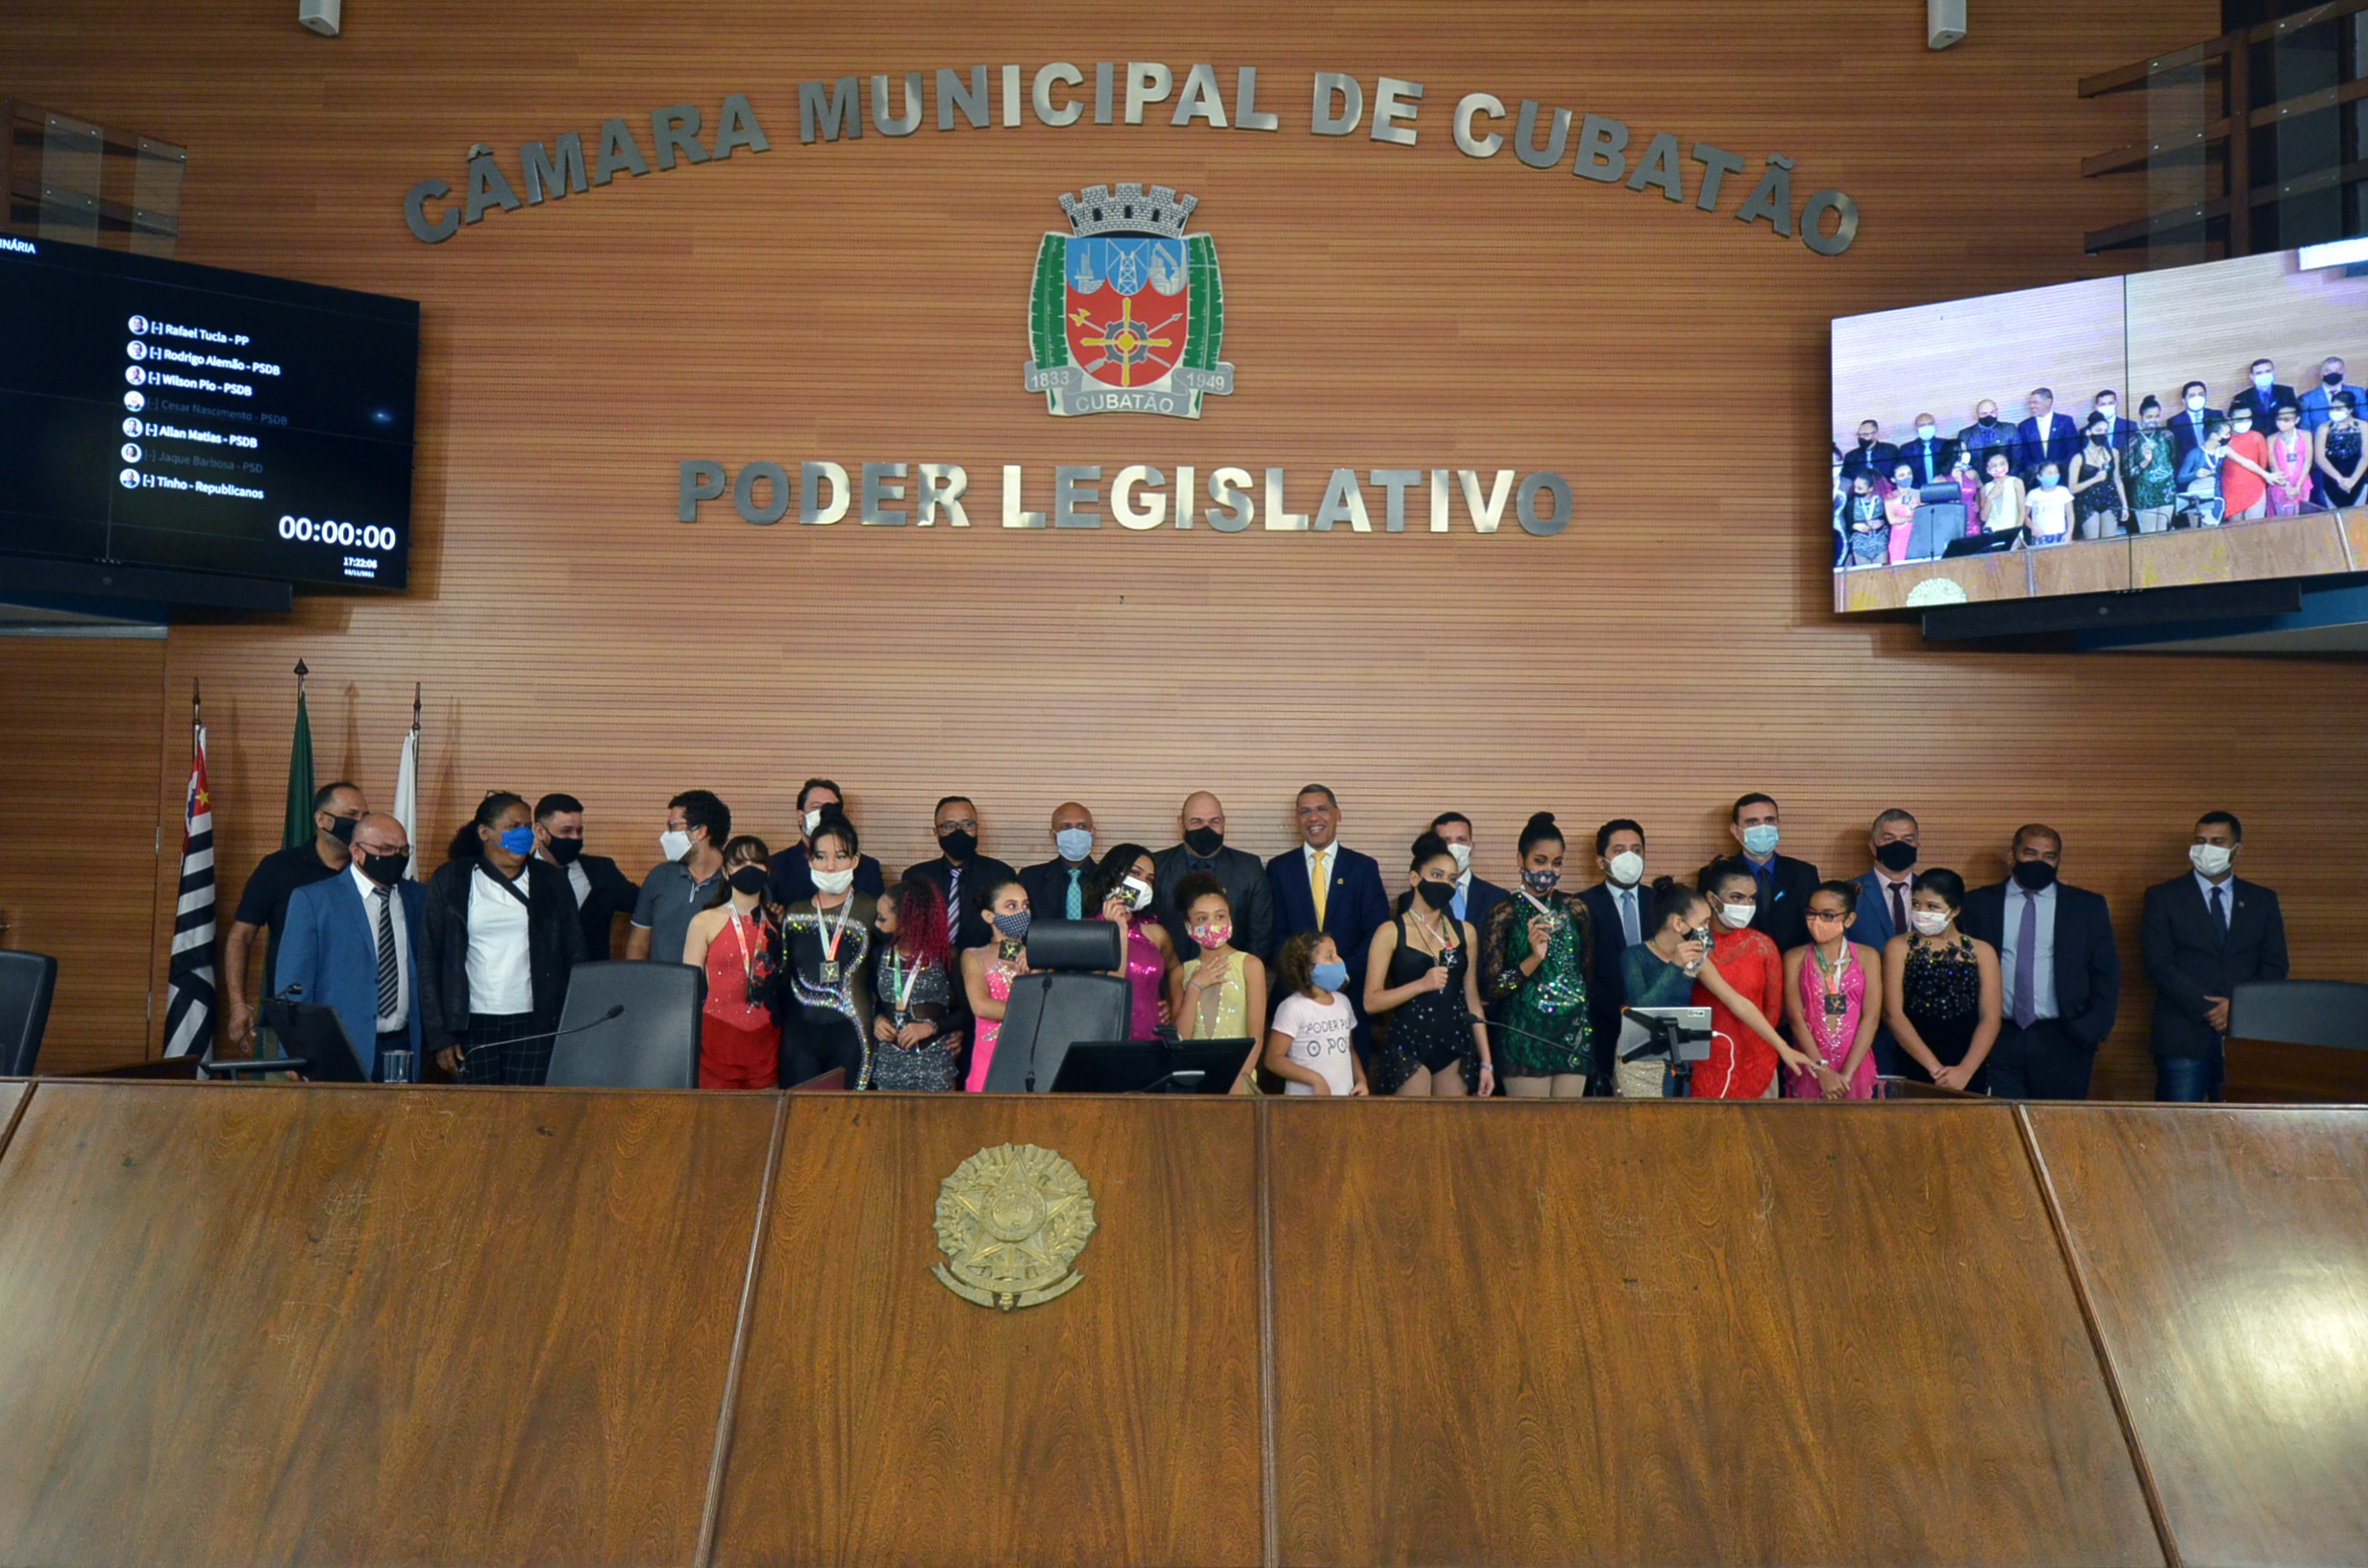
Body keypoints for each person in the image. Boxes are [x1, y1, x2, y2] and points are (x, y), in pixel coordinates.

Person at [421, 791, 585, 1085]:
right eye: (512, 827)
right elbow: (430, 959)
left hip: (536, 1022)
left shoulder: (551, 880)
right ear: (485, 833)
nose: (523, 834)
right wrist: (440, 1035)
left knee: (527, 1108)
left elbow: (574, 953)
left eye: (527, 826)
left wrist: (572, 1022)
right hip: (471, 1023)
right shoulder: (451, 879)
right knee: (478, 1109)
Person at [1960, 825, 2120, 1100]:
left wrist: (2091, 1029)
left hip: (2064, 1037)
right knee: (1999, 1121)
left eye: (2049, 856)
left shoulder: (2086, 906)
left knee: (2058, 1123)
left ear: (2058, 861)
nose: (2039, 862)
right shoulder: (1978, 903)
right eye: (2030, 853)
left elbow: (2106, 972)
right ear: (2012, 856)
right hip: (1997, 1036)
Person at [2140, 811, 2288, 1103]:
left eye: (2218, 841)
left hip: (2245, 1036)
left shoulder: (2262, 900)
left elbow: (2275, 964)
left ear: (2237, 849)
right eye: (2200, 841)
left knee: (2244, 1125)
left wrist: (2237, 1009)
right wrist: (2209, 1008)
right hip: (2183, 1035)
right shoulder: (2163, 896)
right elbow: (2158, 965)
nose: (2206, 848)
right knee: (2179, 1126)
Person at [274, 812, 424, 1082]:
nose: (396, 857)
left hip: (403, 1047)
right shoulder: (315, 900)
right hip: (339, 1048)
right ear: (356, 851)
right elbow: (294, 983)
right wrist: (292, 1050)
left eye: (403, 850)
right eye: (385, 849)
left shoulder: (419, 898)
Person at [222, 780, 366, 1047]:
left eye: (364, 816)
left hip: (357, 1022)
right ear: (322, 819)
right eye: (352, 815)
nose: (360, 824)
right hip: (289, 1019)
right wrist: (238, 1004)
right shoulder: (278, 868)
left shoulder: (369, 873)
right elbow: (241, 937)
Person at [1618, 881, 1790, 1099]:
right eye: (1703, 923)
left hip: (1680, 1058)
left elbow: (1737, 1001)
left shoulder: (1698, 960)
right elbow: (1639, 1009)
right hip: (1642, 1061)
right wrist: (1675, 967)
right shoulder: (1634, 956)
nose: (1707, 930)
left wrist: (1782, 1046)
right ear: (1678, 923)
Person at [1364, 832, 1494, 1097]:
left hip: (1455, 1043)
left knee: (1451, 1122)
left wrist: (1486, 1062)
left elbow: (1471, 999)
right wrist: (1421, 984)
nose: (1445, 883)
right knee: (1415, 1122)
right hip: (1409, 1044)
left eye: (1452, 879)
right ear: (1415, 878)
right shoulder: (1390, 932)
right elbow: (1371, 1001)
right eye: (1437, 875)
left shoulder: (1465, 932)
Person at [1480, 813, 1595, 1098]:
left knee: (1570, 1121)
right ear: (1521, 860)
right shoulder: (1504, 913)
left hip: (1571, 1032)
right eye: (1540, 861)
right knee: (1532, 1123)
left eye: (1557, 863)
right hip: (1524, 1034)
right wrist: (1533, 959)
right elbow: (1493, 988)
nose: (1548, 870)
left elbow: (1586, 973)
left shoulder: (1575, 909)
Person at [1692, 859, 1815, 1097]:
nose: (1746, 905)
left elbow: (1773, 1010)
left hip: (1757, 1060)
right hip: (1704, 1060)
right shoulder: (1696, 943)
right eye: (1737, 897)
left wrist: (1771, 1049)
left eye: (1752, 899)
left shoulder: (1763, 945)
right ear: (1712, 899)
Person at [775, 809, 877, 1090]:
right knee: (800, 1111)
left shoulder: (871, 910)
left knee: (850, 1112)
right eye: (821, 857)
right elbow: (782, 974)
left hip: (853, 1031)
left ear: (855, 860)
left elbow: (886, 973)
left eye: (840, 856)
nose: (830, 866)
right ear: (810, 860)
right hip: (800, 1033)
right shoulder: (794, 913)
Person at [1267, 785, 1389, 1010]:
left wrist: (1340, 975)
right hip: (1294, 998)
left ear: (1337, 814)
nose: (1314, 817)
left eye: (1322, 809)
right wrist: (1303, 979)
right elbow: (1274, 934)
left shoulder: (1363, 868)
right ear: (1296, 819)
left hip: (1351, 996)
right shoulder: (1279, 869)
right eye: (1305, 811)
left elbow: (1376, 933)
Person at [1883, 868, 2000, 1092]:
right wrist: (1935, 1070)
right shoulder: (1898, 947)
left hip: (1968, 1065)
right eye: (1916, 904)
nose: (1921, 912)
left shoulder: (1982, 951)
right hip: (1913, 1061)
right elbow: (1892, 1014)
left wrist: (1965, 1070)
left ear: (1954, 910)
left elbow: (1990, 1018)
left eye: (1932, 906)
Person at [679, 834, 779, 1090]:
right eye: (740, 863)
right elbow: (687, 989)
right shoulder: (703, 922)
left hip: (767, 1038)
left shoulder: (778, 924)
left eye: (756, 862)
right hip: (716, 1037)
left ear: (767, 870)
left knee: (765, 1112)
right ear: (725, 872)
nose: (749, 868)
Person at [1168, 871, 1267, 1093]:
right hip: (1193, 1082)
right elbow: (1180, 1039)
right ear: (1188, 926)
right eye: (1202, 919)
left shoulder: (1250, 965)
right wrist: (1194, 987)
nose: (1213, 924)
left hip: (1239, 1081)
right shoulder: (1180, 974)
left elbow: (1256, 1037)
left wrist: (1238, 1081)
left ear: (1230, 919)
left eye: (1220, 916)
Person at [1782, 881, 1882, 1100]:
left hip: (1855, 1063)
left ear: (1849, 919)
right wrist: (1822, 1070)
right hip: (1810, 1063)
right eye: (1811, 913)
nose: (1817, 921)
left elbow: (1871, 1017)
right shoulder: (1795, 958)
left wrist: (1846, 1075)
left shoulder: (1868, 956)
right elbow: (1795, 1018)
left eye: (1828, 915)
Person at [1150, 791, 1275, 963]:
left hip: (1232, 975)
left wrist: (1243, 975)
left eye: (1214, 822)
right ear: (1181, 824)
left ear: (1224, 822)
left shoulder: (1249, 868)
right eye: (1197, 822)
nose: (1206, 829)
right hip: (1168, 976)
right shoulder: (1156, 866)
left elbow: (1260, 937)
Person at [870, 877, 963, 1091]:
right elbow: (871, 998)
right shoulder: (879, 954)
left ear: (907, 922)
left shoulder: (946, 957)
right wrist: (877, 1019)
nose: (876, 925)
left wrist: (932, 1026)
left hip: (935, 1065)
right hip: (889, 1064)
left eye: (882, 919)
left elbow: (966, 1012)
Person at [1697, 793, 1819, 954]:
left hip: (1794, 965)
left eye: (1769, 820)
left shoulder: (1804, 874)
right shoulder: (1713, 873)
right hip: (1733, 964)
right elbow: (1702, 928)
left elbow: (1814, 929)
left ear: (1778, 825)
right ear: (1736, 830)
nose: (1762, 828)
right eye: (1752, 822)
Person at [1577, 819, 1649, 1093]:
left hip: (1654, 1025)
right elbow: (1581, 970)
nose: (1630, 857)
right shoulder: (1582, 904)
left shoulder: (1661, 902)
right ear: (1601, 861)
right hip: (1602, 1024)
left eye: (1636, 850)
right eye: (1619, 851)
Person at [1849, 808, 1921, 1076]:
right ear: (1873, 845)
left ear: (1917, 845)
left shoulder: (1936, 893)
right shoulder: (1848, 895)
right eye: (1889, 839)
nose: (1899, 845)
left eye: (1907, 839)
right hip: (1867, 1025)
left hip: (1924, 1024)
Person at [902, 795, 1018, 954]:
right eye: (949, 826)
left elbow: (1013, 935)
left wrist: (1006, 966)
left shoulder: (1000, 875)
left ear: (977, 828)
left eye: (967, 824)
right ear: (936, 832)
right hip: (928, 965)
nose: (959, 832)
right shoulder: (916, 877)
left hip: (984, 964)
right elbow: (906, 935)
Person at [532, 793, 639, 962]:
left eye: (579, 831)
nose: (575, 838)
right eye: (566, 831)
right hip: (538, 975)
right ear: (540, 832)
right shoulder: (521, 874)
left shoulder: (603, 871)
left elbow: (642, 902)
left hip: (593, 974)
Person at [627, 789, 728, 965]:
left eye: (673, 826)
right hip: (661, 981)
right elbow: (638, 944)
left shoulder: (735, 881)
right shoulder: (658, 877)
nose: (667, 835)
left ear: (700, 832)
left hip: (714, 983)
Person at [1264, 931, 1368, 1096]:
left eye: (1336, 954)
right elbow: (1273, 1059)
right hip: (1304, 1103)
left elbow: (1349, 1050)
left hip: (1343, 1100)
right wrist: (1315, 1079)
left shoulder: (1343, 1002)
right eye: (1330, 956)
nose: (1339, 961)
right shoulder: (1293, 1007)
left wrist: (1361, 1080)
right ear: (1308, 967)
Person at [1090, 842, 1175, 1039]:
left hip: (1153, 1038)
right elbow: (1109, 991)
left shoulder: (1156, 933)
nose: (1143, 884)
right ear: (1113, 875)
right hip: (1107, 1039)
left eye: (1149, 879)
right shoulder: (1086, 933)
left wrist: (1172, 1002)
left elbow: (1176, 970)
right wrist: (1118, 929)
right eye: (1135, 873)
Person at [768, 777, 886, 907]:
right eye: (817, 807)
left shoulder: (868, 868)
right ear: (801, 817)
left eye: (831, 808)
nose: (824, 813)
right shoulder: (776, 866)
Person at [960, 878, 1032, 1091]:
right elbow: (981, 1005)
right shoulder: (974, 955)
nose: (1021, 912)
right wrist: (1030, 1013)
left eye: (1025, 906)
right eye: (1011, 906)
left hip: (1030, 1059)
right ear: (989, 916)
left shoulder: (1039, 956)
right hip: (989, 1060)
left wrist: (1036, 967)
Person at [1428, 811, 1511, 930]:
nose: (1454, 847)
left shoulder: (1498, 897)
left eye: (1461, 840)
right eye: (1445, 841)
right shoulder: (1416, 898)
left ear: (1472, 847)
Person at [1019, 800, 1099, 921]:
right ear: (1053, 836)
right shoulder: (1029, 879)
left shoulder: (1111, 879)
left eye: (1082, 826)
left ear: (1093, 834)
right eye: (1065, 827)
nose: (1074, 834)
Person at [2121, 398, 2179, 534]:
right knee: (2149, 533)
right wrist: (2145, 462)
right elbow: (2128, 474)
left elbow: (2174, 460)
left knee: (2164, 531)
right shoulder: (2133, 441)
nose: (2153, 420)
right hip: (2144, 493)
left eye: (2157, 416)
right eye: (2149, 417)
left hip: (2166, 489)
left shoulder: (2167, 435)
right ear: (2141, 417)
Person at [2067, 414, 2127, 539]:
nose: (2102, 434)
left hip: (2110, 500)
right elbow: (2072, 488)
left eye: (2105, 431)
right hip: (2088, 503)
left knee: (2109, 541)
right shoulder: (2078, 458)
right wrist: (2095, 479)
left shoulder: (2113, 453)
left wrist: (2124, 505)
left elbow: (2117, 480)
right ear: (2089, 432)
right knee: (2093, 542)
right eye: (2099, 430)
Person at [2219, 405, 2274, 522]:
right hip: (2231, 488)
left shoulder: (2257, 437)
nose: (2245, 422)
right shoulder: (2223, 440)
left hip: (2255, 486)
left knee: (2255, 526)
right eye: (2240, 419)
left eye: (2248, 418)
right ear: (2229, 419)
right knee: (2235, 527)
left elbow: (2263, 464)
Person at [2313, 391, 2366, 507]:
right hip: (2332, 478)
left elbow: (2366, 456)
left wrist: (2353, 480)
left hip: (2358, 476)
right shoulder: (2324, 428)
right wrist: (2339, 479)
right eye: (2332, 408)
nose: (2334, 412)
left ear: (2350, 410)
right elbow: (2320, 457)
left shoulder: (2363, 427)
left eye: (2339, 409)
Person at [2176, 417, 2230, 527]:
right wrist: (2195, 474)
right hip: (2198, 494)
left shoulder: (2224, 450)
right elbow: (2180, 478)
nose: (2229, 436)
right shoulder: (2195, 453)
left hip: (2218, 493)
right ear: (2215, 436)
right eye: (2227, 434)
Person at [2014, 387, 2078, 479]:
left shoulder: (2065, 422)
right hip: (2035, 477)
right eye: (2030, 403)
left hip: (2062, 475)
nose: (2031, 406)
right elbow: (2024, 454)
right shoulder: (2025, 426)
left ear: (2048, 402)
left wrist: (2058, 470)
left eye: (2035, 402)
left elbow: (2073, 449)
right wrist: (2036, 471)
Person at [2265, 402, 2314, 516]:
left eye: (2286, 419)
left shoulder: (2306, 435)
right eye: (2279, 419)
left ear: (2296, 420)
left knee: (2302, 517)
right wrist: (2286, 486)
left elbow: (2308, 461)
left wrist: (2297, 486)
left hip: (2302, 482)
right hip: (2281, 485)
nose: (2281, 423)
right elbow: (2273, 465)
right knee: (2283, 519)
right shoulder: (2271, 438)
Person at [2228, 357, 2297, 431]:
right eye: (2259, 373)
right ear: (2252, 377)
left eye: (2268, 371)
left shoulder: (2287, 392)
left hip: (2282, 434)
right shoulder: (2242, 398)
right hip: (2255, 437)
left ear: (2273, 373)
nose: (2264, 375)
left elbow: (2295, 416)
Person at [2296, 355, 2363, 431]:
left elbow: (2365, 419)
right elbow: (2305, 428)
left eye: (2338, 370)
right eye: (2328, 371)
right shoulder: (2308, 399)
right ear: (2321, 374)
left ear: (2343, 373)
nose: (2333, 373)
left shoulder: (2357, 393)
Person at [1955, 399, 2015, 474]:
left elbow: (2017, 457)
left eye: (1992, 412)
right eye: (1984, 413)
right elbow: (1961, 462)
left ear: (1997, 411)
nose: (1988, 416)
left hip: (2005, 476)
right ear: (1977, 414)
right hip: (1976, 477)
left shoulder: (2010, 429)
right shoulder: (1965, 434)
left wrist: (2009, 478)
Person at [2022, 461, 2073, 546]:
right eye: (2049, 473)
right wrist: (2033, 527)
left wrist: (2069, 532)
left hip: (2061, 535)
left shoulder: (2064, 492)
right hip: (2040, 535)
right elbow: (2024, 515)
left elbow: (2070, 513)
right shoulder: (2033, 494)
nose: (2053, 475)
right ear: (2039, 476)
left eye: (2056, 472)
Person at [1979, 448, 2025, 538]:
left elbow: (2022, 511)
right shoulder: (1985, 489)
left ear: (2008, 464)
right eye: (1994, 465)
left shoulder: (2016, 482)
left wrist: (2016, 533)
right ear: (1987, 468)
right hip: (1992, 533)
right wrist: (1990, 497)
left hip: (2012, 531)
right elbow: (1983, 518)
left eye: (2002, 464)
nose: (1998, 467)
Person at [1842, 472, 1887, 565]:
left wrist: (1881, 522)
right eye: (1855, 487)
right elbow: (1846, 524)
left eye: (1860, 488)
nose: (1855, 490)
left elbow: (1888, 519)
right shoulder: (1851, 504)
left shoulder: (1881, 500)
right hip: (1860, 546)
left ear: (1870, 489)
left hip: (1880, 544)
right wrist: (1855, 526)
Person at [1898, 413, 1953, 486]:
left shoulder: (1947, 445)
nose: (1926, 427)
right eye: (1922, 425)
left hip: (1944, 488)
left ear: (1935, 425)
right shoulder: (1906, 449)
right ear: (1916, 427)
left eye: (1929, 424)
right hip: (1917, 490)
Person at [1882, 462, 1921, 563]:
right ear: (1893, 479)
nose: (1906, 478)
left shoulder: (1919, 493)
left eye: (1909, 474)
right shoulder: (1890, 497)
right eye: (1901, 475)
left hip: (1919, 536)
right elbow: (1892, 519)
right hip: (1899, 538)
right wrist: (1913, 518)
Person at [1839, 418, 1898, 486]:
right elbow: (1846, 480)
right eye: (1859, 435)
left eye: (1865, 435)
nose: (1861, 438)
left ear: (1876, 435)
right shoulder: (1851, 456)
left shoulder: (1890, 451)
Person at [2168, 380, 2214, 459]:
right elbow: (2176, 450)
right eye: (2192, 395)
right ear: (2184, 401)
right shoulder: (2175, 422)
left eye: (2201, 394)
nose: (2197, 398)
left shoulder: (2216, 415)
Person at [1948, 446, 1983, 535]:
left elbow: (1980, 489)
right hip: (1952, 524)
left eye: (1966, 450)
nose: (1965, 453)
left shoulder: (1972, 473)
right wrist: (1957, 480)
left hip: (1973, 522)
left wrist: (1978, 501)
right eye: (1962, 451)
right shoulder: (1940, 479)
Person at [2087, 389, 2134, 453]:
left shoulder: (2130, 426)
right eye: (2103, 404)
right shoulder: (2087, 431)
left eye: (2110, 403)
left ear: (2116, 404)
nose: (2107, 407)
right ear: (2096, 407)